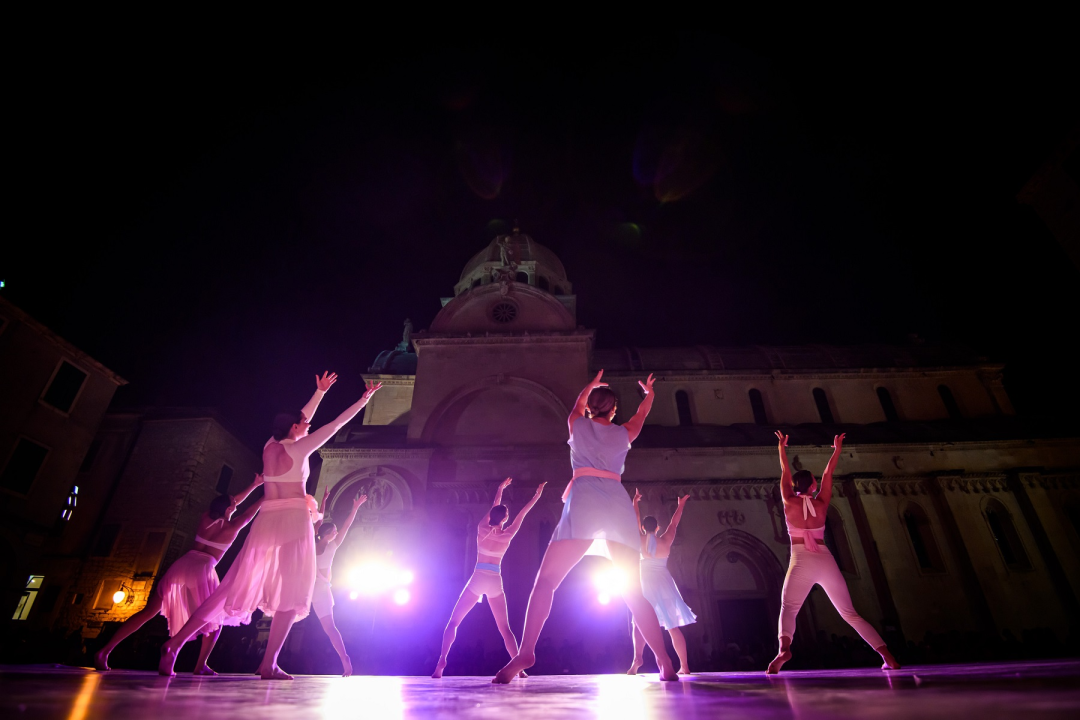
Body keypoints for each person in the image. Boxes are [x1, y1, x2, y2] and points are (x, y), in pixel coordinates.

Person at [159, 372, 382, 679]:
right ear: (294, 428)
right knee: (293, 594)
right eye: (303, 423)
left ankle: (174, 643)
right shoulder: (298, 449)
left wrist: (319, 393)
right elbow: (336, 425)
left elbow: (303, 417)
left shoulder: (269, 446)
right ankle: (269, 663)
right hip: (292, 520)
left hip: (267, 518)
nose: (308, 424)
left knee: (230, 587)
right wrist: (363, 400)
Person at [493, 371, 679, 683]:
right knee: (633, 590)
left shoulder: (577, 426)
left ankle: (526, 651)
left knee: (546, 581)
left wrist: (590, 387)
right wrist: (649, 394)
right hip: (617, 503)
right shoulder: (623, 433)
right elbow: (643, 413)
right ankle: (663, 661)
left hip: (585, 500)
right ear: (614, 410)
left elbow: (577, 407)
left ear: (591, 408)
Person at [94, 473, 265, 673]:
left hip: (182, 564)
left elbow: (232, 502)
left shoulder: (205, 518)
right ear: (229, 509)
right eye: (233, 504)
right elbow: (249, 512)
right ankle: (199, 665)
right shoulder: (232, 527)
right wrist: (266, 495)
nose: (236, 503)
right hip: (202, 570)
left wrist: (254, 484)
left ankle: (105, 651)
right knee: (214, 622)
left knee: (149, 611)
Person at [767, 431, 900, 673]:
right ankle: (887, 655)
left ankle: (784, 649)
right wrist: (836, 449)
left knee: (789, 608)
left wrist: (781, 448)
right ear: (813, 485)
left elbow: (784, 472)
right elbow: (829, 475)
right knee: (850, 614)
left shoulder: (788, 500)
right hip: (825, 559)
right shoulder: (821, 502)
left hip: (800, 559)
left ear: (795, 486)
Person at [432, 477, 546, 679]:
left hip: (477, 577)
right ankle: (519, 668)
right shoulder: (508, 534)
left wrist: (500, 489)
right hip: (494, 579)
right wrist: (536, 495)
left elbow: (494, 506)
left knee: (453, 623)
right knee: (505, 629)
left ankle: (442, 660)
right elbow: (523, 514)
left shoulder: (481, 528)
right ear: (505, 519)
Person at [629, 490, 696, 675]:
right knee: (671, 626)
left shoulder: (639, 538)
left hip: (644, 583)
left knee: (638, 622)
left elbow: (635, 517)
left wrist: (635, 502)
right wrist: (681, 504)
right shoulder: (665, 540)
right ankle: (684, 665)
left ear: (643, 528)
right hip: (663, 583)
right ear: (657, 528)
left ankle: (637, 658)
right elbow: (675, 523)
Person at [311, 487, 368, 676]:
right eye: (334, 531)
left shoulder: (324, 544)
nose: (337, 532)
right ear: (328, 533)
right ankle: (269, 659)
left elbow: (340, 525)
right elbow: (320, 521)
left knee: (329, 627)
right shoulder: (316, 542)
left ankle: (344, 658)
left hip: (319, 589)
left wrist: (354, 507)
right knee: (289, 618)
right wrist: (327, 501)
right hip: (309, 587)